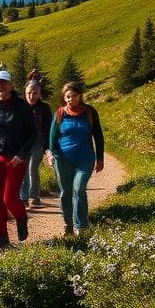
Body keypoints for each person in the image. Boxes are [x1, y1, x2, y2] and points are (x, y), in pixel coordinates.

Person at [0, 70, 37, 251]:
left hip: (15, 158)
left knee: (10, 198)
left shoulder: (22, 107)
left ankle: (21, 217)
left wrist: (22, 154)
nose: (0, 86)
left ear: (11, 85)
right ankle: (1, 235)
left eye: (4, 83)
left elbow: (33, 134)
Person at [48, 81, 104, 236]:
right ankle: (68, 224)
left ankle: (82, 226)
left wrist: (100, 158)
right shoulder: (59, 113)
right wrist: (51, 154)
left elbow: (98, 136)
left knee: (78, 189)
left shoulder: (89, 112)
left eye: (73, 96)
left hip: (85, 159)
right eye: (67, 97)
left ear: (80, 96)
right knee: (65, 192)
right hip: (63, 158)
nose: (70, 99)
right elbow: (53, 137)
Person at [19, 80, 53, 207]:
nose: (31, 96)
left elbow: (48, 128)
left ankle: (35, 195)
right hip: (23, 144)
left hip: (38, 144)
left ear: (39, 94)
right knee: (23, 170)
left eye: (34, 93)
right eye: (29, 93)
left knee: (33, 168)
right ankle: (24, 196)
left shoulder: (44, 108)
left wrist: (48, 148)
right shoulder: (21, 106)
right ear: (25, 93)